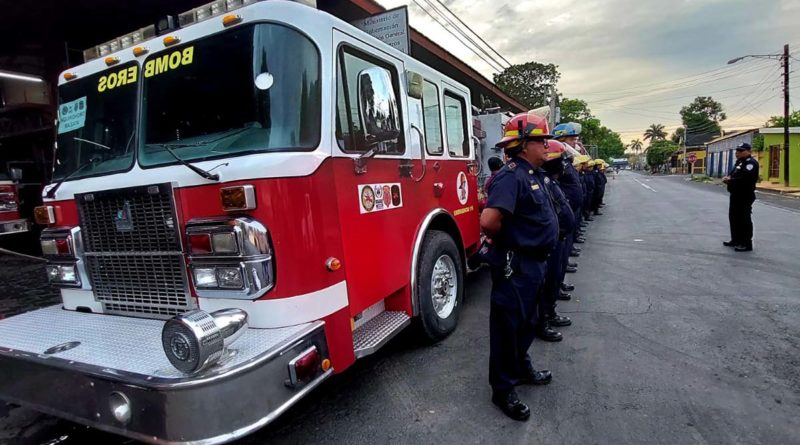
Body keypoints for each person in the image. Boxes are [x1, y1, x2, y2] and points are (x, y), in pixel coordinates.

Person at [480, 112, 557, 421]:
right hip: (516, 265)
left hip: (534, 265)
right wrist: (511, 243)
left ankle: (521, 368)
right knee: (507, 328)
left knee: (526, 323)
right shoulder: (512, 176)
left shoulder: (533, 174)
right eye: (541, 141)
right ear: (524, 145)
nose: (547, 146)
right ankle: (503, 389)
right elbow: (489, 221)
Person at [538, 139, 575, 340]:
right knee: (546, 284)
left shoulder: (549, 180)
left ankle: (550, 313)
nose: (563, 165)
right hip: (547, 245)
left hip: (558, 239)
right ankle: (542, 321)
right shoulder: (538, 180)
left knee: (554, 279)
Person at [723, 143, 759, 251]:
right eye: (737, 151)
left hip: (745, 195)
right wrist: (728, 178)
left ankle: (746, 243)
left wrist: (730, 180)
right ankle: (736, 240)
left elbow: (745, 179)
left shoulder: (750, 163)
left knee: (744, 219)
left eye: (740, 151)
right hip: (735, 194)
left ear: (748, 151)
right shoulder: (739, 162)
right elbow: (733, 174)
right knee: (734, 218)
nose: (737, 153)